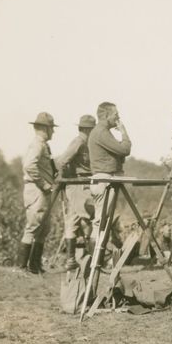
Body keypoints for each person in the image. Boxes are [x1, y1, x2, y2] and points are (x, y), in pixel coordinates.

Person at [87, 102, 133, 264]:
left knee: (102, 221)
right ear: (106, 115)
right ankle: (95, 262)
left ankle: (96, 261)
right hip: (104, 180)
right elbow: (124, 150)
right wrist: (124, 132)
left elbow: (120, 154)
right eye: (115, 114)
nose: (118, 117)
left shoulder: (102, 132)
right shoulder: (101, 132)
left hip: (107, 179)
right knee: (100, 221)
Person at [16, 112, 58, 275]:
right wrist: (44, 185)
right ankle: (21, 268)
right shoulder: (38, 145)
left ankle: (34, 266)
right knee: (33, 226)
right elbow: (29, 166)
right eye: (51, 128)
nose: (53, 132)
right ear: (44, 128)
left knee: (43, 228)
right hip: (37, 190)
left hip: (42, 190)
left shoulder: (42, 145)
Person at [54, 114, 96, 269]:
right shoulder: (79, 142)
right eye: (92, 129)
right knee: (87, 219)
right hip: (79, 184)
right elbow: (63, 161)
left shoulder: (88, 143)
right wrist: (65, 179)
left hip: (84, 184)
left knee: (75, 220)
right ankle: (87, 259)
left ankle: (75, 260)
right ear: (86, 129)